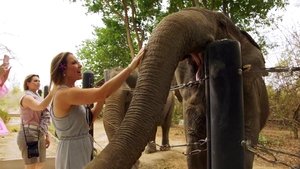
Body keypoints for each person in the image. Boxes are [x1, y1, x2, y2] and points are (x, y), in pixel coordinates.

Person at [50, 48, 145, 169]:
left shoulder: (72, 92)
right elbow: (101, 93)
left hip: (81, 147)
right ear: (62, 70)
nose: (80, 65)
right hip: (71, 152)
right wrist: (130, 68)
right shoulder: (64, 93)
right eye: (74, 63)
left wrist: (102, 98)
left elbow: (90, 119)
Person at [17, 74, 57, 169]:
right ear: (28, 83)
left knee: (41, 164)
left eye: (39, 81)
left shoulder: (38, 97)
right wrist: (51, 93)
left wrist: (46, 135)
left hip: (40, 132)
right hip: (28, 133)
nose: (38, 82)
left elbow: (43, 116)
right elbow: (40, 107)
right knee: (31, 166)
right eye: (35, 81)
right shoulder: (26, 97)